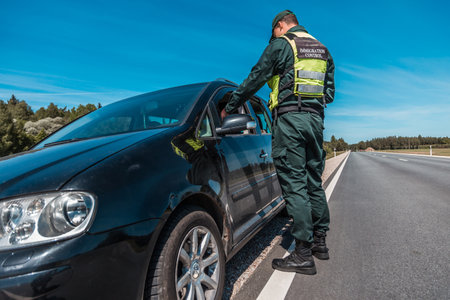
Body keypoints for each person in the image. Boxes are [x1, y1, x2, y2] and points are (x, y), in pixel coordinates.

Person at [221, 10, 335, 275]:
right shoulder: (323, 50)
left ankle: (303, 253)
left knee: (294, 184)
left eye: (273, 33)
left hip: (290, 120)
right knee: (312, 181)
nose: (272, 38)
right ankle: (320, 243)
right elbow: (329, 93)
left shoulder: (282, 45)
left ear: (280, 26)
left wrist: (232, 104)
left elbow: (256, 76)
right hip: (315, 121)